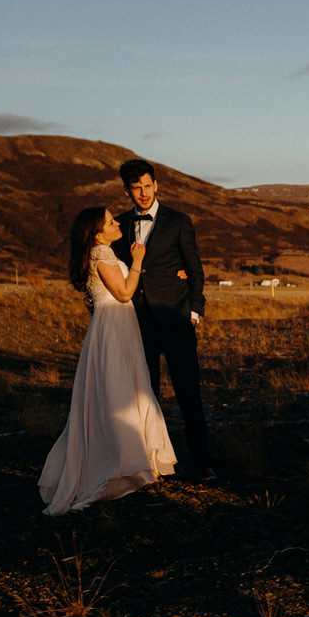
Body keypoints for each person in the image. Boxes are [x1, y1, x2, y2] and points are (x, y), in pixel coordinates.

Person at [38, 208, 177, 514]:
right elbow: (125, 293)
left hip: (113, 324)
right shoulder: (101, 253)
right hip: (114, 327)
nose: (117, 224)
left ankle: (135, 461)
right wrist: (138, 261)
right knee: (120, 390)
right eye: (111, 221)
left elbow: (102, 296)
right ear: (97, 232)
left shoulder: (100, 252)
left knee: (122, 388)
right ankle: (122, 463)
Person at [112, 158, 213, 479]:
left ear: (156, 185)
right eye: (135, 188)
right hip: (137, 324)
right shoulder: (118, 224)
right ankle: (149, 464)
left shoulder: (179, 221)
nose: (142, 193)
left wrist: (194, 312)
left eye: (147, 185)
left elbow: (196, 271)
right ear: (127, 191)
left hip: (177, 320)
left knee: (189, 396)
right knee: (144, 397)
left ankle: (202, 464)